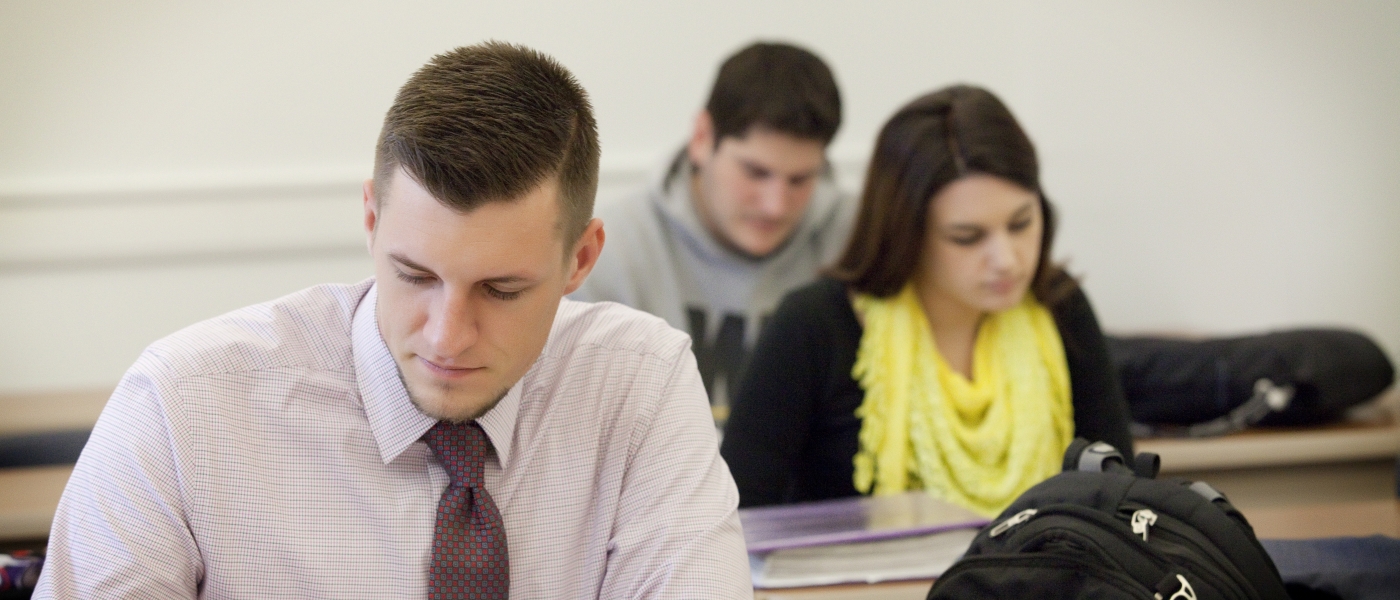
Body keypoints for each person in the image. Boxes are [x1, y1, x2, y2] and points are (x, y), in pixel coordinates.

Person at [35, 43, 751, 599]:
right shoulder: (183, 404)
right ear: (372, 219)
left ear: (581, 259)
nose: (446, 334)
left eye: (501, 289)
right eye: (414, 276)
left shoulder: (639, 382)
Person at [720, 85, 1134, 517]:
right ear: (906, 233)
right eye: (967, 237)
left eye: (1021, 223)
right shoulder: (814, 326)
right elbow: (733, 522)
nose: (1007, 260)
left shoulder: (1059, 305)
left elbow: (1123, 498)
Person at [571, 42, 854, 421]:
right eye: (756, 172)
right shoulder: (608, 251)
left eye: (801, 179)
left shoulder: (858, 240)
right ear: (702, 138)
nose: (776, 204)